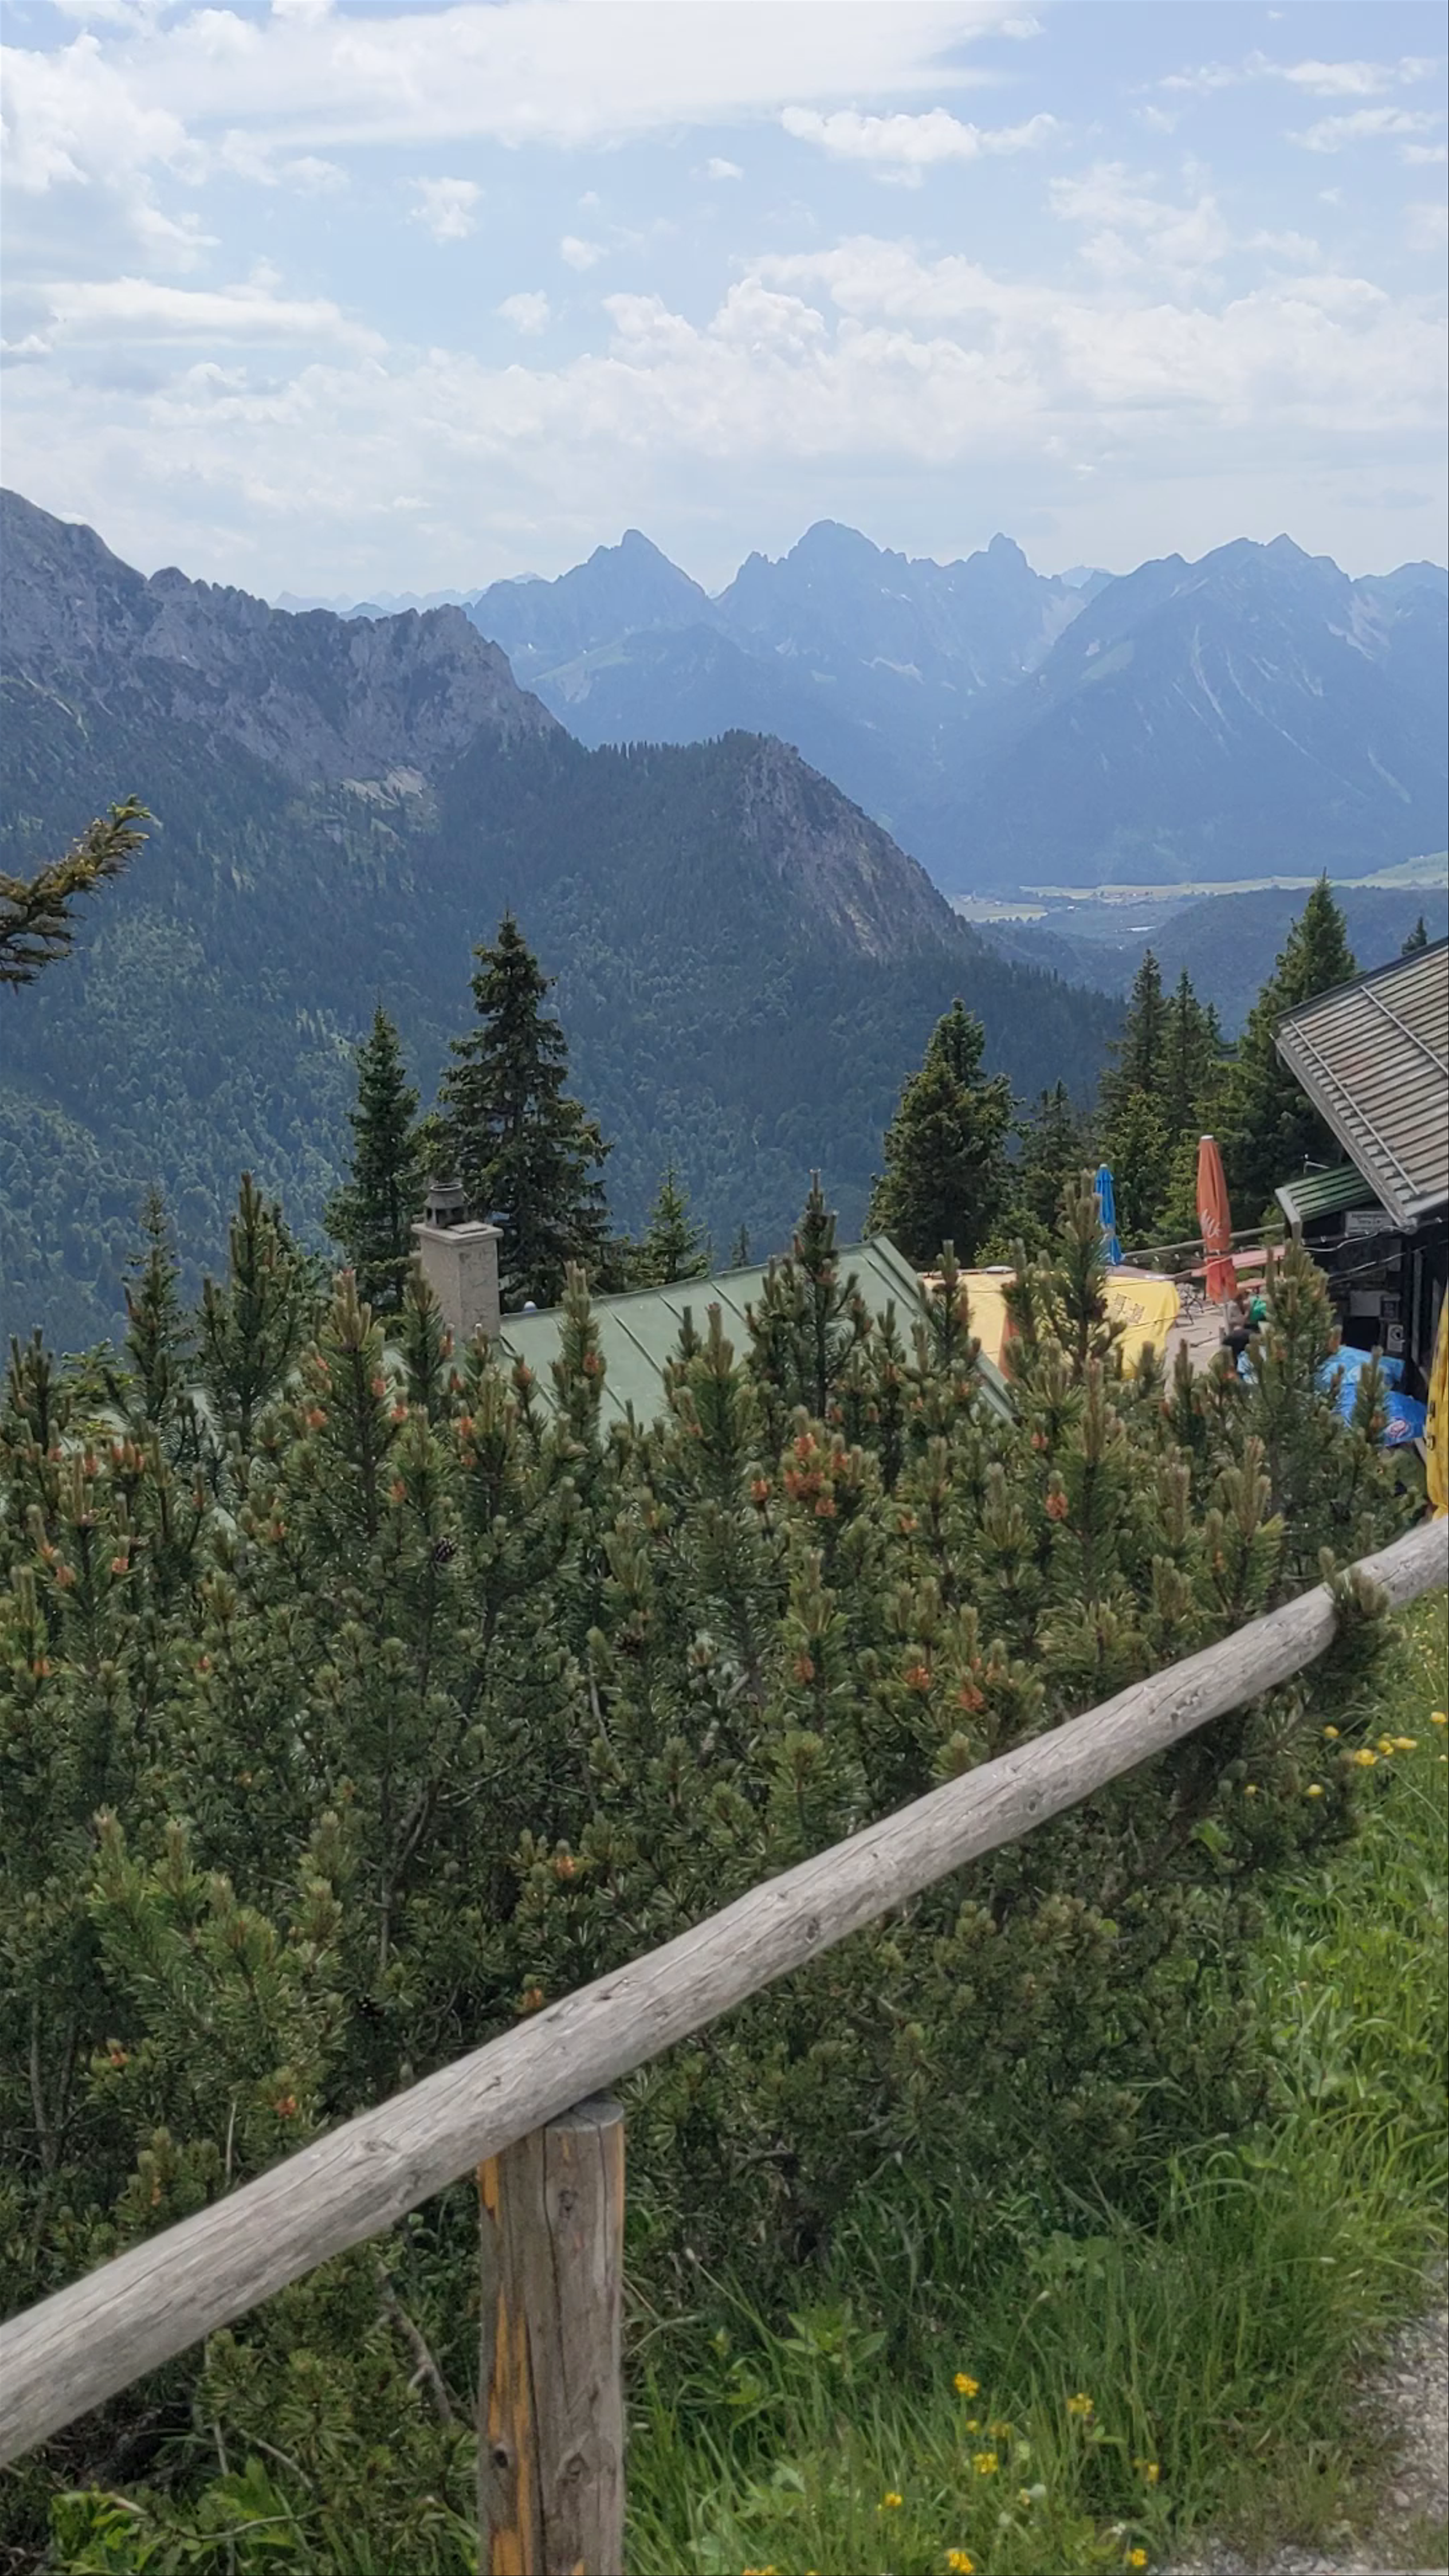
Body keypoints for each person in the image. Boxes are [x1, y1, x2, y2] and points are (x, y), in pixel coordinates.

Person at [1222, 1294, 1252, 1361]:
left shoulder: (1233, 1304)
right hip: (1237, 1334)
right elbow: (1242, 1321)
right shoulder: (1234, 1306)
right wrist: (1248, 1311)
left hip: (1234, 1334)